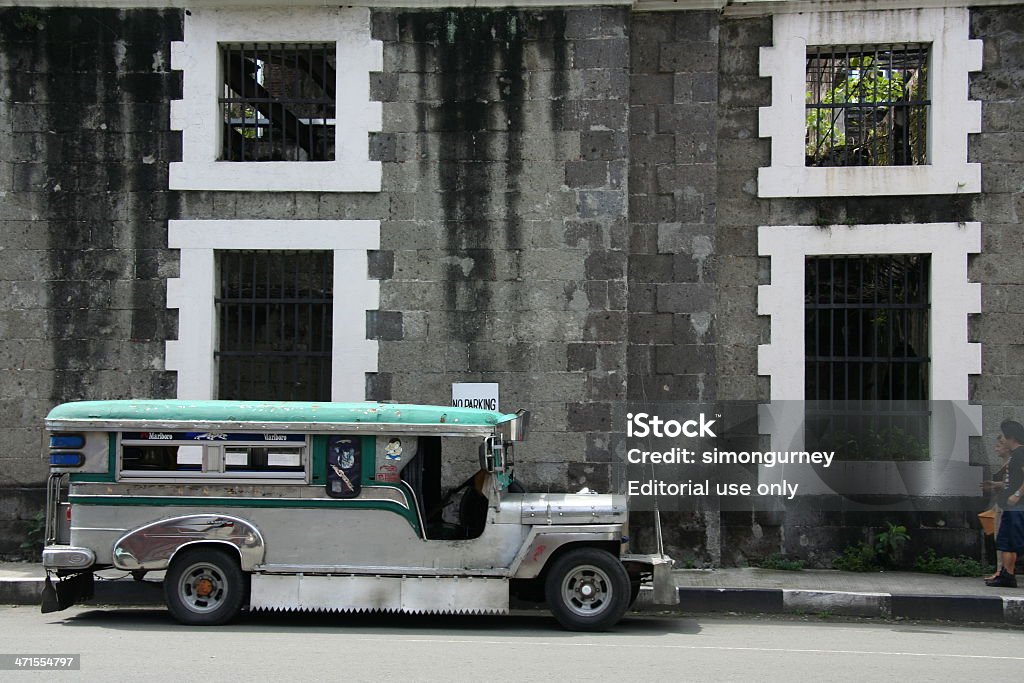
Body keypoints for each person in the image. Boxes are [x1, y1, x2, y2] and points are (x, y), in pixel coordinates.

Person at [985, 420, 1024, 588]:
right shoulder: (1016, 455)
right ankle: (1006, 572)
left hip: (1016, 505)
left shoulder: (1021, 454)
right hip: (1011, 504)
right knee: (1008, 540)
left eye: (1003, 436)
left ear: (1011, 437)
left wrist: (1016, 495)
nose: (1001, 440)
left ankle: (1008, 573)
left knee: (1009, 539)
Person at [980, 435, 1011, 581]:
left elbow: (1012, 484)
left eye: (999, 445)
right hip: (1001, 503)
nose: (996, 448)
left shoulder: (1012, 463)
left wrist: (994, 484)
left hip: (1008, 505)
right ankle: (1001, 570)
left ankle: (1002, 571)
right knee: (1000, 538)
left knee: (1002, 539)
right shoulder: (1006, 463)